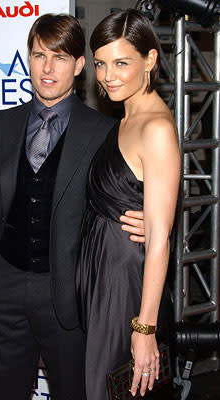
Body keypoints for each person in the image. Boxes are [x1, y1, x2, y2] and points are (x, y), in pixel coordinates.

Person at [0, 13, 146, 400]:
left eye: (60, 57)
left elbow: (117, 199)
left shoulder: (103, 133)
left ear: (79, 66)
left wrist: (149, 222)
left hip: (68, 298)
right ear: (28, 59)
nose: (47, 68)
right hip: (4, 289)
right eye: (38, 55)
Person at [76, 9, 180, 400]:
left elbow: (158, 242)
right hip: (105, 278)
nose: (108, 75)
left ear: (150, 60)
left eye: (122, 62)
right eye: (101, 63)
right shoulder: (122, 119)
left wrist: (145, 330)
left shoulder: (155, 128)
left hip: (127, 287)